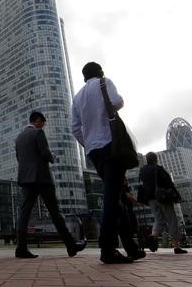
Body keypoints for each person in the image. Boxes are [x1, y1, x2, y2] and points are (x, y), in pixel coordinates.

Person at [71, 61, 132, 264]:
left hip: (94, 151)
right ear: (100, 72)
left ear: (83, 77)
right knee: (112, 197)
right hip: (111, 144)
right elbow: (117, 102)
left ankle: (131, 247)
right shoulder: (104, 83)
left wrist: (87, 143)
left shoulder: (77, 97)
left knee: (115, 194)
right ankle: (107, 249)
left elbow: (75, 127)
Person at [14, 111, 86, 259]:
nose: (43, 126)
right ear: (38, 120)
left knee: (24, 214)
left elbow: (19, 158)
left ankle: (21, 248)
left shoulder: (19, 138)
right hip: (41, 178)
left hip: (26, 179)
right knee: (55, 213)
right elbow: (45, 153)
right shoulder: (38, 133)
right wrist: (52, 156)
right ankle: (71, 246)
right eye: (43, 123)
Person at [138, 152, 187, 254]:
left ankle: (152, 236)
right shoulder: (158, 169)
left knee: (159, 219)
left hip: (150, 198)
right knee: (171, 219)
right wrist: (176, 195)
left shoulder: (142, 170)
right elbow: (169, 183)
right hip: (162, 197)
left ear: (147, 159)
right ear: (156, 159)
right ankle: (176, 246)